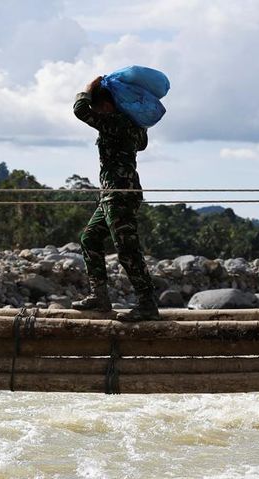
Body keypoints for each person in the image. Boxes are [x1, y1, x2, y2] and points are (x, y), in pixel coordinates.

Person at [70, 76, 159, 322]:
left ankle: (147, 303)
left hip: (119, 194)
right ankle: (99, 296)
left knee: (126, 249)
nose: (96, 111)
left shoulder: (116, 121)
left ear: (107, 106)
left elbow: (79, 111)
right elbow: (142, 143)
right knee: (89, 238)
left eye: (99, 107)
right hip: (111, 195)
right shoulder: (131, 125)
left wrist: (87, 88)